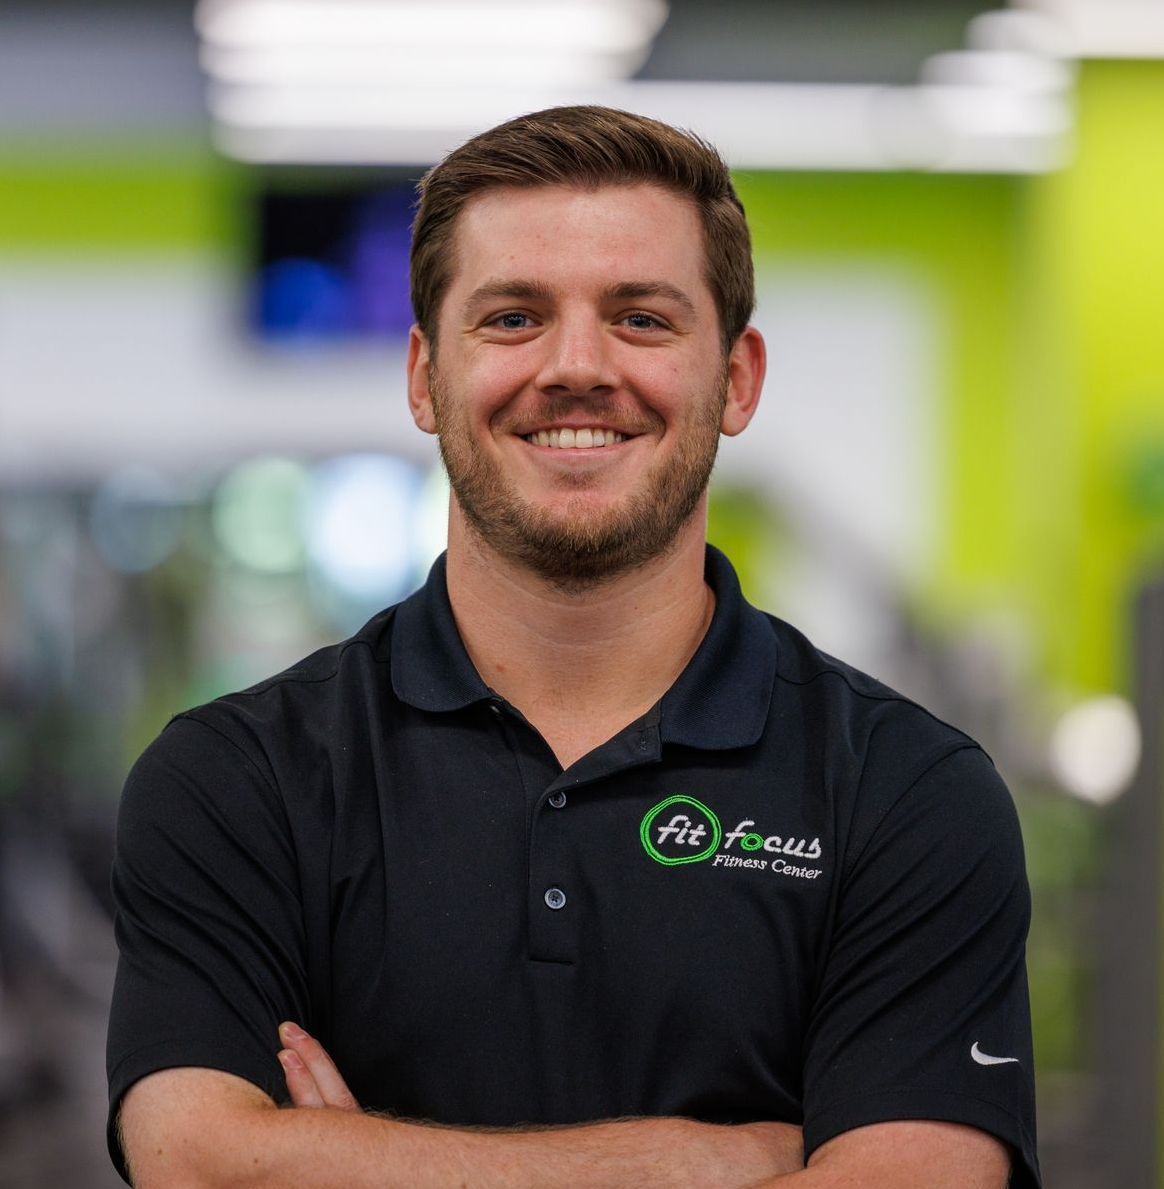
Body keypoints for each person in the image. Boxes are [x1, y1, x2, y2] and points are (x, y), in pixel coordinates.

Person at [106, 105, 1040, 1187]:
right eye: (513, 318)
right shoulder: (236, 779)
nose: (578, 366)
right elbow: (202, 1161)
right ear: (423, 376)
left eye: (642, 318)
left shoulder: (908, 793)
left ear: (736, 378)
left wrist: (348, 1158)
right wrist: (701, 1161)